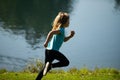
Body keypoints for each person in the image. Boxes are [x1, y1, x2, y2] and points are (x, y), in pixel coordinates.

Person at [36, 12, 75, 80]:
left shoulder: (60, 29)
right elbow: (51, 33)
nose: (69, 22)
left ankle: (45, 70)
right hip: (53, 51)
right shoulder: (61, 29)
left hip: (48, 51)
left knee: (45, 69)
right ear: (64, 22)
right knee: (66, 62)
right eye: (68, 21)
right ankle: (51, 66)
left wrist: (70, 36)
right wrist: (46, 42)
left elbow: (64, 40)